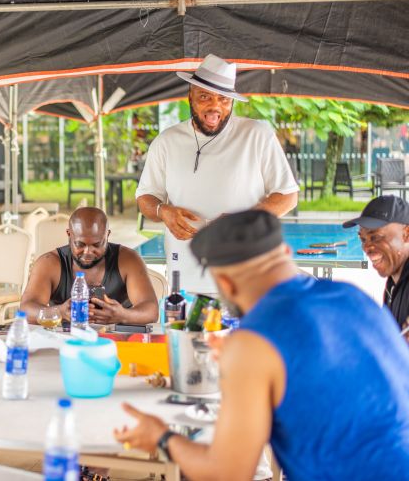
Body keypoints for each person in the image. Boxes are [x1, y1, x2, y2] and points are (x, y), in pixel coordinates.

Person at [114, 210, 409, 480]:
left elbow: (226, 473)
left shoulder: (254, 344)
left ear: (225, 284)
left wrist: (161, 437)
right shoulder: (351, 296)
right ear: (285, 253)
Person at [136, 54, 298, 294]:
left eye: (224, 99)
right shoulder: (166, 142)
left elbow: (287, 196)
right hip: (186, 276)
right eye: (205, 97)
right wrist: (163, 211)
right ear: (190, 96)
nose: (215, 106)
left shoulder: (257, 134)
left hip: (246, 275)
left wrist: (243, 220)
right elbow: (145, 197)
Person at [21, 207, 158, 325]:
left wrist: (122, 315)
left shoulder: (128, 260)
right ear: (69, 234)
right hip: (64, 339)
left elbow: (151, 311)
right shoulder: (49, 263)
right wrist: (59, 312)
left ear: (107, 235)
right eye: (80, 244)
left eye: (96, 245)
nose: (88, 252)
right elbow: (26, 309)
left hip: (117, 339)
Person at [344, 195, 409, 340]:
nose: (366, 247)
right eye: (363, 239)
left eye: (376, 237)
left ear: (406, 234)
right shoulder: (393, 280)